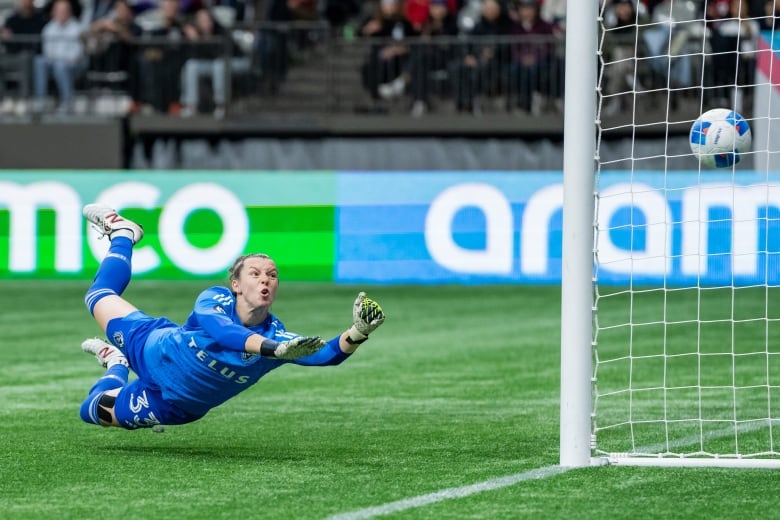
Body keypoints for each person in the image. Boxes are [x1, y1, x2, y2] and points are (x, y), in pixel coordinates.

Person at [78, 203, 386, 430]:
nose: (265, 279)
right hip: (150, 345)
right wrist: (271, 349)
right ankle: (123, 233)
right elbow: (224, 333)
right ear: (236, 285)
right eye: (255, 273)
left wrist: (358, 332)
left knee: (92, 410)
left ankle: (115, 363)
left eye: (273, 275)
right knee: (98, 295)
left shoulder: (277, 338)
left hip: (172, 403)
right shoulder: (215, 299)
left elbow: (324, 356)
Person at [179, 7, 251, 118]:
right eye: (201, 21)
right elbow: (196, 57)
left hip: (237, 61)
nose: (205, 23)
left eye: (207, 20)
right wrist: (196, 42)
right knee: (191, 65)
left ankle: (221, 105)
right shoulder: (198, 35)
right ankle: (191, 106)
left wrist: (203, 41)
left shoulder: (220, 31)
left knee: (219, 65)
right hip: (215, 64)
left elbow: (221, 54)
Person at [33, 0, 87, 114]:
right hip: (55, 62)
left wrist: (59, 59)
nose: (61, 13)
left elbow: (76, 54)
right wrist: (59, 58)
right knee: (39, 61)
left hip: (75, 65)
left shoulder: (78, 28)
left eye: (64, 10)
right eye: (58, 10)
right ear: (53, 12)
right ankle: (40, 101)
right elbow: (47, 52)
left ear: (69, 12)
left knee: (60, 65)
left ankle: (67, 102)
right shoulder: (49, 28)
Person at [0, 0, 47, 113]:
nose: (25, 3)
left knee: (25, 57)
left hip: (30, 56)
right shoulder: (12, 19)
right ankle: (3, 98)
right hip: (12, 55)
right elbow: (7, 39)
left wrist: (16, 40)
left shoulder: (40, 19)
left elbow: (36, 42)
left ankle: (23, 98)